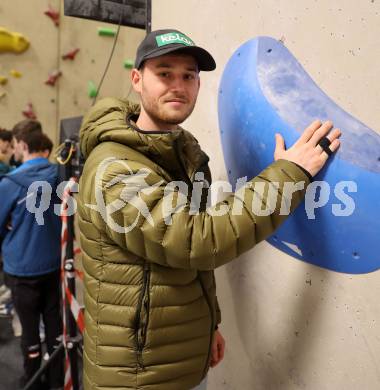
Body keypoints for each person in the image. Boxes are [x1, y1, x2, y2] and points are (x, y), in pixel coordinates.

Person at [77, 29, 341, 390]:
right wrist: (290, 175)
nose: (179, 85)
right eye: (164, 73)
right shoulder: (115, 170)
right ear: (137, 80)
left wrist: (208, 326)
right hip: (136, 378)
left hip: (175, 363)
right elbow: (196, 240)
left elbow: (182, 263)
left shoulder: (175, 151)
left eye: (189, 76)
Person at [0, 129, 64, 389]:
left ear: (23, 145)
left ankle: (32, 381)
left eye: (14, 145)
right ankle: (58, 379)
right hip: (52, 265)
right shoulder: (60, 176)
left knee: (29, 331)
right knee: (54, 328)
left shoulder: (10, 183)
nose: (13, 150)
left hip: (22, 269)